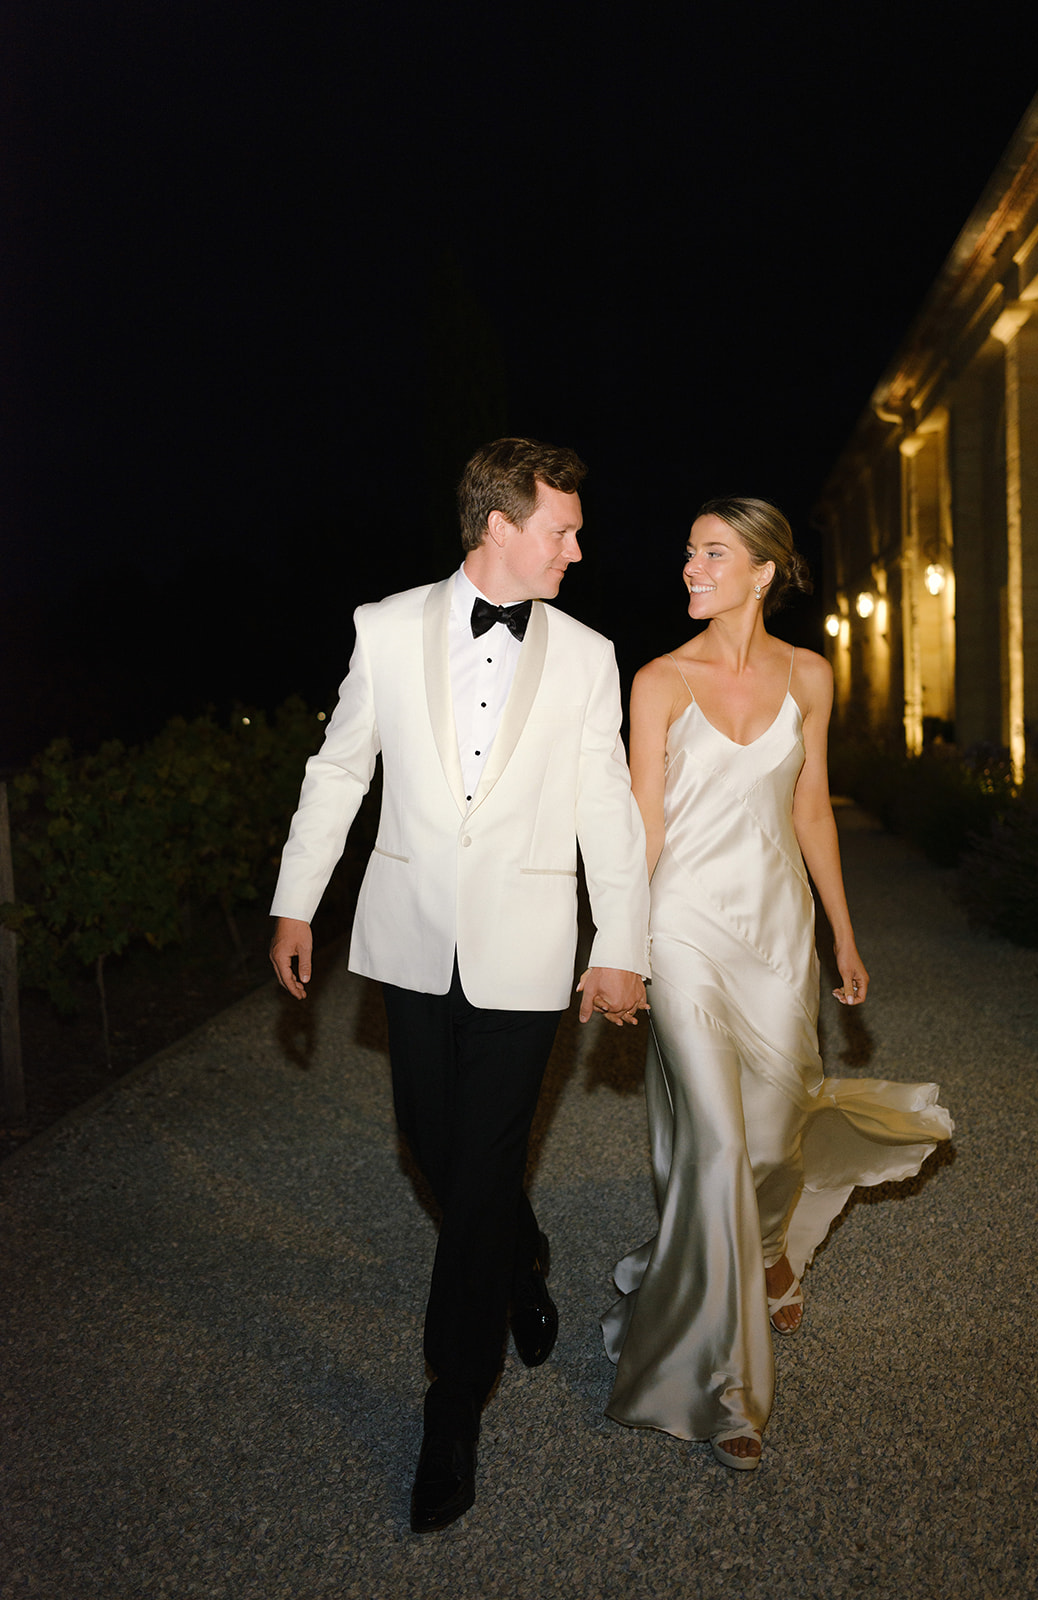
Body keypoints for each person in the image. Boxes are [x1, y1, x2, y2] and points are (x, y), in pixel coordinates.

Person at [269, 438, 650, 1532]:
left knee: (479, 1163)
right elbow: (339, 767)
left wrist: (618, 938)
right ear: (499, 523)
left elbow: (607, 808)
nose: (578, 549)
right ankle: (516, 1254)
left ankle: (453, 1402)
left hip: (530, 951)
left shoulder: (586, 653)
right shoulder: (383, 628)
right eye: (562, 529)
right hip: (409, 940)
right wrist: (299, 899)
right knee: (436, 1147)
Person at [602, 496, 952, 1470]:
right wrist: (620, 941)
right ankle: (729, 1389)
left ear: (762, 572)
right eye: (686, 551)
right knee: (718, 1140)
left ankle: (765, 1252)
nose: (688, 566)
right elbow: (646, 821)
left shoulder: (810, 676)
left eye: (710, 552)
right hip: (681, 928)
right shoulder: (661, 680)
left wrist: (843, 931)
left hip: (776, 935)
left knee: (773, 1132)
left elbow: (811, 809)